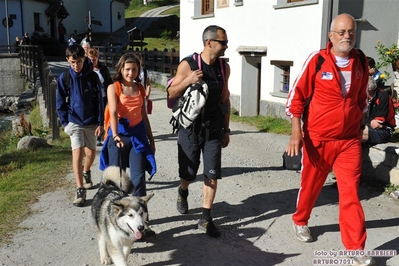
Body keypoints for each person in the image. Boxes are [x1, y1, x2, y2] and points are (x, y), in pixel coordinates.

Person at [285, 14, 376, 266]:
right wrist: (296, 133)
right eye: (342, 32)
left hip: (348, 142)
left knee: (350, 195)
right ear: (331, 36)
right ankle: (300, 220)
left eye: (352, 32)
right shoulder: (317, 61)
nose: (347, 36)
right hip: (318, 139)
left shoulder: (359, 61)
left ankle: (356, 248)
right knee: (311, 186)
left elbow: (361, 98)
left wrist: (358, 122)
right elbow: (296, 99)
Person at [167, 25, 231, 238]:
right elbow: (171, 94)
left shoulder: (224, 68)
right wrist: (188, 80)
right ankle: (183, 190)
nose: (226, 46)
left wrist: (227, 129)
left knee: (212, 174)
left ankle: (205, 217)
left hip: (213, 129)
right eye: (223, 42)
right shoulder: (189, 64)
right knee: (189, 172)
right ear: (209, 42)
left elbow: (225, 99)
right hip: (190, 129)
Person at [99, 52, 156, 203]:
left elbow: (144, 116)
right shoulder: (114, 87)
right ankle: (116, 212)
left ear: (139, 71)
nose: (131, 73)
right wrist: (116, 134)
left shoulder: (140, 89)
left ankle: (140, 215)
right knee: (117, 178)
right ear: (121, 69)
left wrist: (151, 139)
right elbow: (113, 111)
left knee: (138, 177)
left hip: (137, 136)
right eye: (128, 69)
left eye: (135, 70)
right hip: (119, 136)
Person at [56, 44, 104, 207]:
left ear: (84, 59)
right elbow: (60, 102)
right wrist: (64, 123)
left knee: (90, 154)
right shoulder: (65, 77)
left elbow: (100, 101)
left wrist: (101, 122)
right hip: (74, 121)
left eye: (79, 62)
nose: (76, 65)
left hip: (91, 122)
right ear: (68, 61)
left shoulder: (93, 77)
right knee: (77, 153)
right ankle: (80, 188)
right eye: (72, 62)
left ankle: (86, 171)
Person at [87, 48, 113, 146]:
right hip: (92, 97)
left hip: (104, 95)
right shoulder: (87, 70)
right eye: (90, 60)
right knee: (95, 115)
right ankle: (96, 136)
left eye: (94, 60)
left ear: (97, 58)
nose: (92, 62)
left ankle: (102, 134)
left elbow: (109, 81)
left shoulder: (103, 69)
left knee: (103, 115)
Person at [362, 77, 396, 145]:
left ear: (368, 89)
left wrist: (364, 121)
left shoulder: (382, 96)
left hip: (384, 130)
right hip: (366, 127)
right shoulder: (362, 98)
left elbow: (377, 124)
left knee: (356, 133)